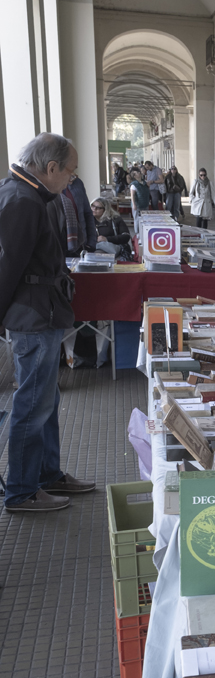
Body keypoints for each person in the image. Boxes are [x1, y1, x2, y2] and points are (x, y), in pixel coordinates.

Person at [0, 133, 96, 513]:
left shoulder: (28, 195)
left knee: (46, 400)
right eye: (70, 172)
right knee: (32, 404)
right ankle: (22, 490)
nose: (71, 180)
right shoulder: (22, 201)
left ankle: (47, 473)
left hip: (43, 312)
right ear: (50, 167)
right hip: (34, 316)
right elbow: (8, 267)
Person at [129, 168, 150, 237]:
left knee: (145, 218)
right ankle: (137, 232)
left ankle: (144, 231)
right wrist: (134, 204)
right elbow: (132, 196)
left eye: (139, 172)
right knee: (137, 219)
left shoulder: (144, 183)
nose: (139, 173)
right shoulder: (134, 185)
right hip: (138, 205)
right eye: (137, 173)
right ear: (134, 176)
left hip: (145, 203)